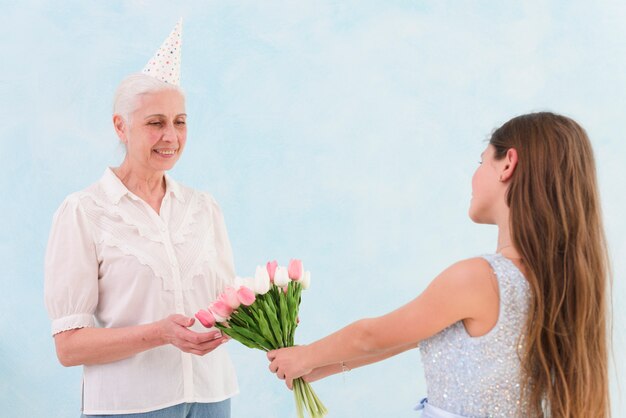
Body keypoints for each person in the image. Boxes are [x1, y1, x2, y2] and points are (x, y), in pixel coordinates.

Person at [267, 112, 610, 418]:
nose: (474, 178)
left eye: (480, 162)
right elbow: (409, 336)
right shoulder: (554, 282)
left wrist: (306, 355)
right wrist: (319, 366)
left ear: (508, 164)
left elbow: (371, 335)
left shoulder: (479, 279)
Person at [44, 20, 238, 417]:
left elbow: (227, 305)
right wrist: (159, 334)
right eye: (155, 123)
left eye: (179, 122)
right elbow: (69, 347)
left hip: (212, 398)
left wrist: (272, 312)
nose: (171, 136)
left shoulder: (203, 208)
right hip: (130, 405)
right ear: (121, 126)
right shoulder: (84, 212)